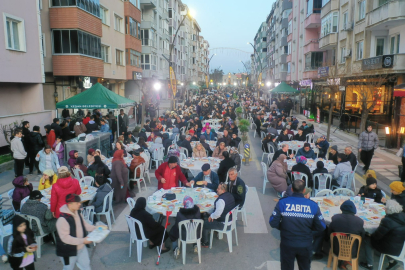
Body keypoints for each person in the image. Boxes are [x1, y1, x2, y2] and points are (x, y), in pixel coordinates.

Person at [270, 180, 326, 270]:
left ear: (292, 189)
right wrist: (309, 229)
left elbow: (273, 222)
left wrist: (283, 227)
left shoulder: (282, 203)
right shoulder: (313, 205)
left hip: (287, 243)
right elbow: (321, 226)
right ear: (304, 191)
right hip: (305, 244)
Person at [361, 200, 405, 270]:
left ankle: (369, 264)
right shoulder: (403, 215)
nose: (384, 209)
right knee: (390, 239)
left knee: (368, 238)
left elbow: (376, 236)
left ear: (388, 210)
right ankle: (391, 261)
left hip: (390, 248)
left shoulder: (387, 221)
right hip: (401, 246)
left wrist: (382, 221)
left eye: (385, 208)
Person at [56, 194, 96, 270]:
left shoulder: (77, 212)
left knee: (86, 265)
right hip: (68, 251)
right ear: (69, 205)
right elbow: (65, 238)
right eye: (77, 202)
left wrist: (95, 228)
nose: (80, 204)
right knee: (68, 268)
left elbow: (84, 224)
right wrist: (83, 240)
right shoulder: (62, 219)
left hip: (81, 247)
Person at [326, 200, 365, 266]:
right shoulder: (359, 221)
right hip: (352, 252)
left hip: (336, 250)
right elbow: (362, 237)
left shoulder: (335, 218)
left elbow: (329, 233)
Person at [201, 183, 236, 247]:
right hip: (230, 221)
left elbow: (217, 214)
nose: (217, 190)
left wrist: (211, 216)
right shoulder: (230, 195)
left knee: (205, 224)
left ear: (223, 191)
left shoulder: (221, 200)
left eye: (218, 189)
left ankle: (205, 242)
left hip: (224, 224)